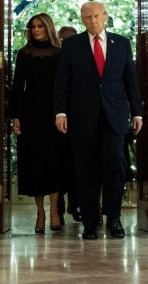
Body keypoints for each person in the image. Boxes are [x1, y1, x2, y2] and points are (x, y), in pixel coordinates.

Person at [54, 1, 143, 240]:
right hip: (82, 118)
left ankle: (113, 218)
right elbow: (61, 82)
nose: (92, 21)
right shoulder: (72, 45)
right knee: (86, 170)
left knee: (115, 165)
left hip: (114, 118)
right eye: (87, 17)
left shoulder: (122, 44)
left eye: (96, 16)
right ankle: (91, 223)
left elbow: (130, 81)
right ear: (82, 20)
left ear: (105, 16)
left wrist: (137, 112)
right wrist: (60, 112)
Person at [10, 13, 64, 233]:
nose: (36, 29)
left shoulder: (61, 54)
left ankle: (54, 211)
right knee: (35, 164)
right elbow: (16, 86)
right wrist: (16, 116)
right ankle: (40, 212)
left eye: (40, 26)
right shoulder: (23, 54)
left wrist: (65, 112)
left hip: (54, 114)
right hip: (30, 114)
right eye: (33, 26)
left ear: (48, 27)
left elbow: (65, 85)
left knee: (55, 163)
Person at [54, 26, 80, 224]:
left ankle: (75, 204)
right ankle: (59, 208)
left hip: (78, 121)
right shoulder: (53, 57)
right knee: (60, 166)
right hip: (55, 120)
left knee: (75, 165)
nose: (65, 42)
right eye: (61, 39)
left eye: (68, 39)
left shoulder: (80, 56)